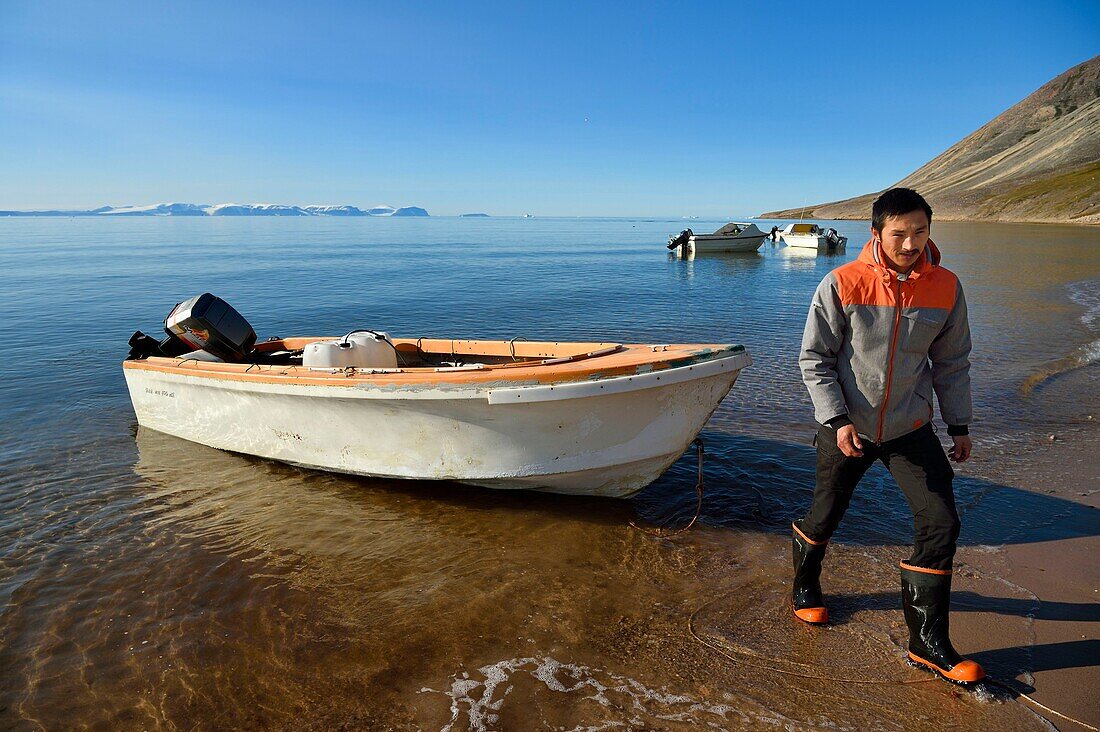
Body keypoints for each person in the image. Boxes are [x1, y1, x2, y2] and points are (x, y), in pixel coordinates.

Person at [793, 187, 984, 685]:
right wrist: (836, 421)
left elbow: (951, 362)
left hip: (910, 427)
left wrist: (958, 423)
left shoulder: (946, 287)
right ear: (876, 232)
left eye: (920, 232)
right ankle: (805, 586)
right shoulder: (842, 283)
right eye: (899, 233)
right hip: (846, 427)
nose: (910, 243)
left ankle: (927, 642)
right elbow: (814, 360)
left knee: (942, 522)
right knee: (825, 513)